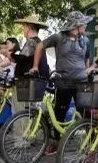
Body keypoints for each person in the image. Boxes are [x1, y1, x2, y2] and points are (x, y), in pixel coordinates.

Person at [30, 11, 93, 154]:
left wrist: (86, 70)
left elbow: (87, 58)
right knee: (59, 113)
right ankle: (55, 143)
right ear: (75, 25)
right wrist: (35, 65)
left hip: (81, 83)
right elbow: (40, 46)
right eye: (83, 23)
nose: (85, 25)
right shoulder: (58, 37)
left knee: (86, 115)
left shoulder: (85, 40)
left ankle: (91, 148)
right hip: (63, 83)